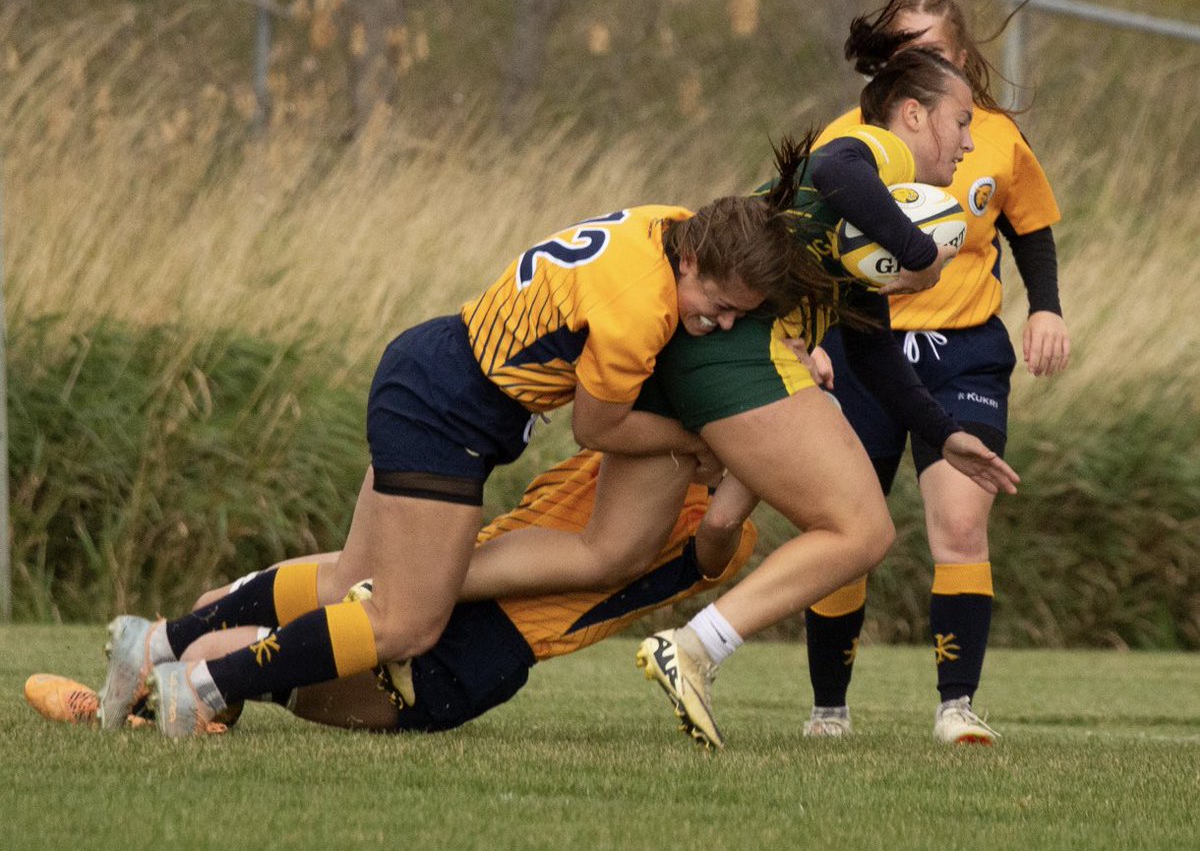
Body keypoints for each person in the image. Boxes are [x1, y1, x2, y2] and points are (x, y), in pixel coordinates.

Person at [94, 168, 815, 738]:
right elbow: (599, 429)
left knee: (358, 578)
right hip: (449, 410)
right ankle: (205, 686)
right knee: (406, 621)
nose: (720, 323)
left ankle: (155, 641)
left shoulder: (666, 221)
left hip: (430, 365)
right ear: (691, 259)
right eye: (718, 305)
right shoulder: (640, 312)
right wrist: (700, 435)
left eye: (737, 317)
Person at [635, 37, 1022, 749]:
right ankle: (691, 646)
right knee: (862, 529)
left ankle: (414, 614)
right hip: (733, 353)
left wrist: (944, 432)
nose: (970, 141)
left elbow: (874, 351)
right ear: (912, 115)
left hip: (717, 355)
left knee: (612, 552)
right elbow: (834, 164)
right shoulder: (877, 153)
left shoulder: (871, 217)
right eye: (962, 119)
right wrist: (919, 254)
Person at [27, 450, 756, 734]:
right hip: (441, 572)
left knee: (236, 646)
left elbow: (722, 523)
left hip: (475, 650)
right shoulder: (629, 448)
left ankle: (147, 704)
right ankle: (179, 691)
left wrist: (760, 455)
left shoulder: (719, 528)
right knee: (227, 599)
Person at [800, 0, 1070, 745]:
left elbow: (1030, 227)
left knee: (959, 521)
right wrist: (809, 335)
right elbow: (811, 239)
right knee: (847, 525)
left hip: (963, 351)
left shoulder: (994, 136)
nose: (916, 62)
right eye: (902, 50)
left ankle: (957, 707)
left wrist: (1045, 305)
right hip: (861, 348)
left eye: (932, 50)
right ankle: (829, 710)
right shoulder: (850, 139)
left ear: (961, 57)